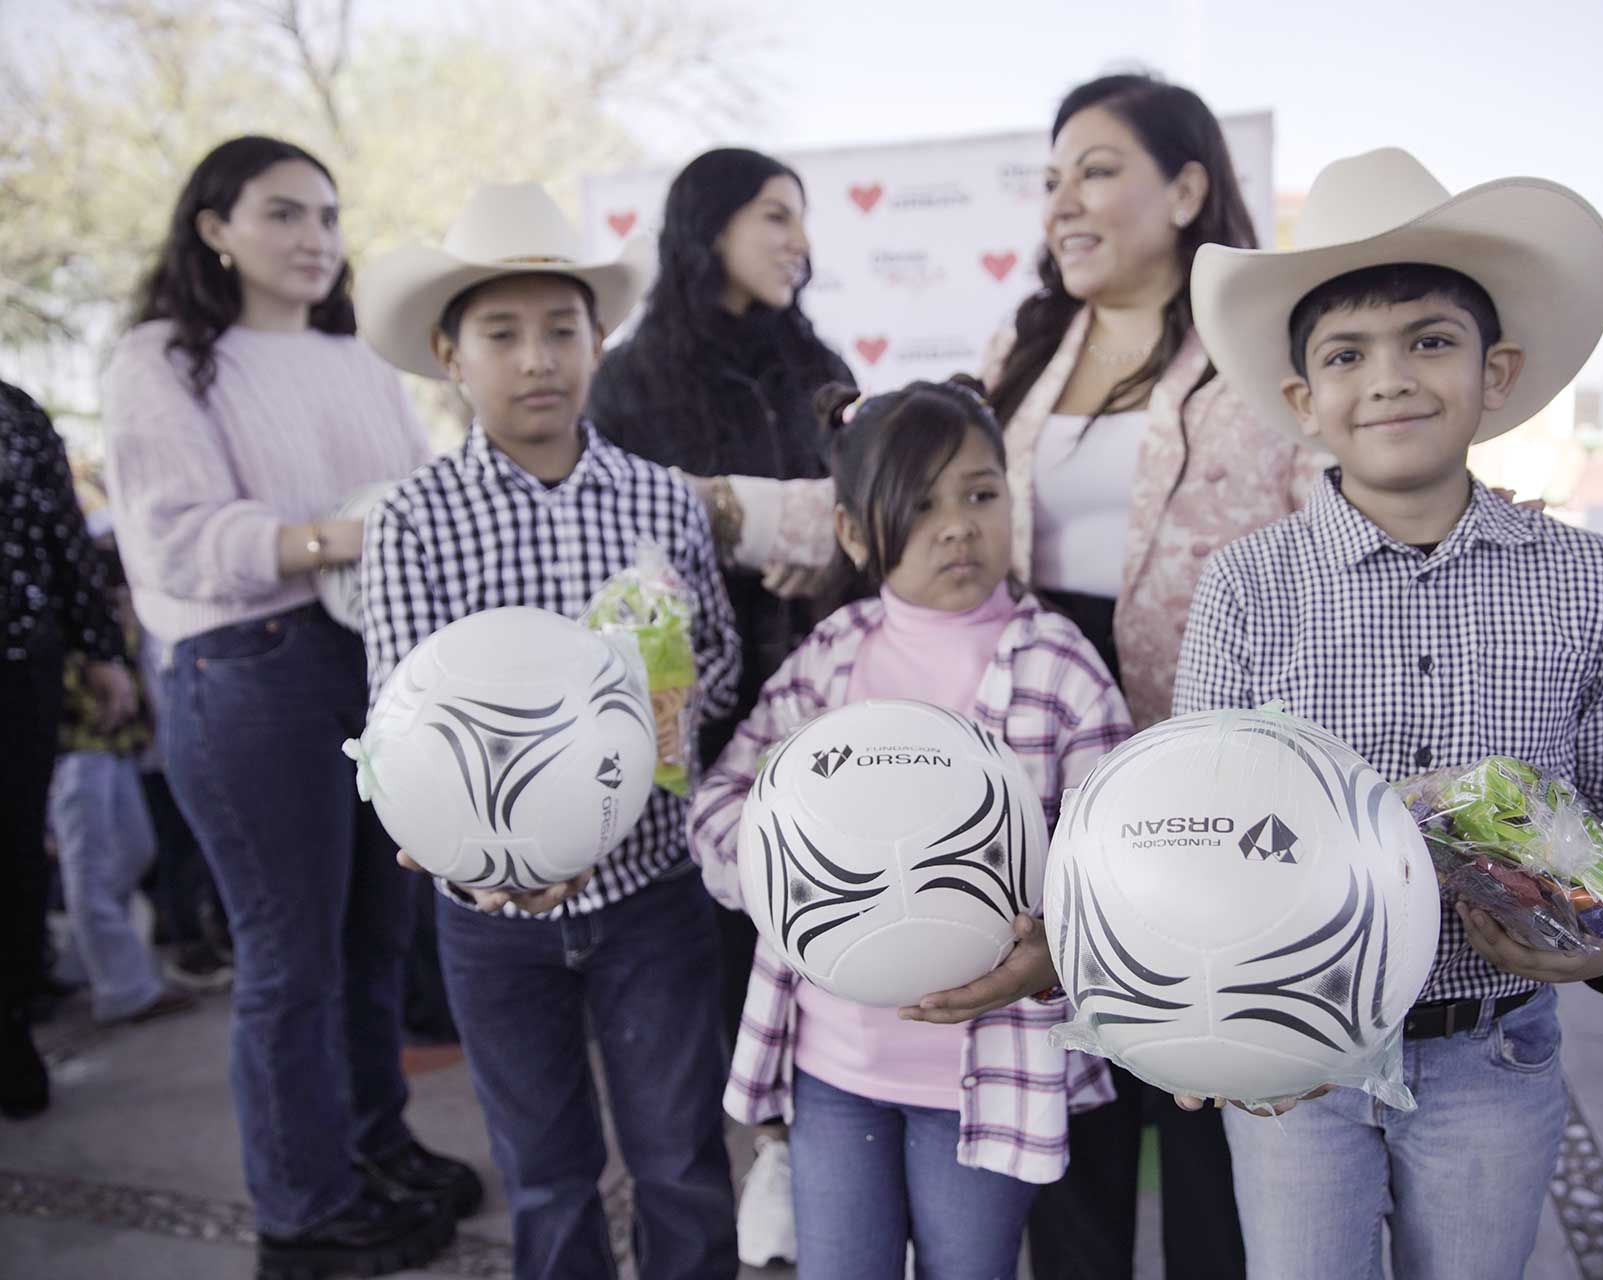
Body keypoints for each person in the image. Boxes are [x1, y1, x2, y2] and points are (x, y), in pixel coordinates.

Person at [708, 73, 1313, 1278]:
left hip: (1198, 795)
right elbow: (905, 493)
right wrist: (712, 505)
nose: (1063, 201)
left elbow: (1332, 531)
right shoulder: (1027, 352)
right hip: (1023, 766)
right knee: (1068, 1152)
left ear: (1188, 188)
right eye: (1050, 180)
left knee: (1206, 1144)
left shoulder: (1258, 356)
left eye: (1097, 169)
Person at [1174, 146, 1603, 1279]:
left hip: (1492, 1049)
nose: (1391, 377)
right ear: (1303, 400)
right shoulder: (1248, 586)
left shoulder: (1582, 581)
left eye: (1431, 340)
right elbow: (1195, 827)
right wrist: (1199, 1004)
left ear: (1497, 372)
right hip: (1294, 1046)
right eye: (1347, 353)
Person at [356, 181, 743, 1280]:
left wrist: (662, 693)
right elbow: (400, 724)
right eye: (502, 333)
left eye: (562, 329)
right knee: (545, 1171)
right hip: (490, 921)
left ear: (598, 340)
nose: (537, 359)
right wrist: (476, 856)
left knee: (680, 1157)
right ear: (450, 354)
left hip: (652, 891)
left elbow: (718, 658)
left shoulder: (661, 500)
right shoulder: (413, 519)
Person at [102, 135, 468, 1279]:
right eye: (284, 213)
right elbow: (175, 538)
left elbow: (413, 493)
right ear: (214, 227)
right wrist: (333, 538)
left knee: (376, 937)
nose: (316, 237)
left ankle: (373, 1146)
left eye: (328, 215)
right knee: (289, 958)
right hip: (247, 669)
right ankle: (304, 1210)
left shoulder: (354, 353)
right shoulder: (161, 357)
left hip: (373, 658)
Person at [686, 377, 1131, 1280]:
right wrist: (781, 881)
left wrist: (1055, 952)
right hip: (834, 1062)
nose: (957, 528)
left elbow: (1118, 862)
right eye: (920, 505)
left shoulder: (1060, 668)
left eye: (980, 494)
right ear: (853, 533)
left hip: (988, 1070)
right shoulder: (833, 657)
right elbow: (723, 798)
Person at [586, 147, 854, 1268]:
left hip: (823, 698)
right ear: (709, 227)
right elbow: (616, 547)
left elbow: (868, 510)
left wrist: (822, 545)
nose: (798, 240)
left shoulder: (819, 364)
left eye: (802, 217)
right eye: (774, 215)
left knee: (816, 929)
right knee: (710, 954)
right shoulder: (629, 378)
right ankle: (730, 1163)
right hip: (688, 715)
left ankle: (803, 1152)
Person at [1, 380, 134, 1120]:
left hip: (18, 664)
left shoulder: (14, 413)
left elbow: (63, 535)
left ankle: (11, 1031)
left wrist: (102, 649)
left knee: (17, 853)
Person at [48, 521, 196, 1026]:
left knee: (132, 851)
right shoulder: (56, 613)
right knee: (89, 867)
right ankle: (122, 987)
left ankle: (82, 961)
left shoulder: (97, 612)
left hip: (114, 747)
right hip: (74, 749)